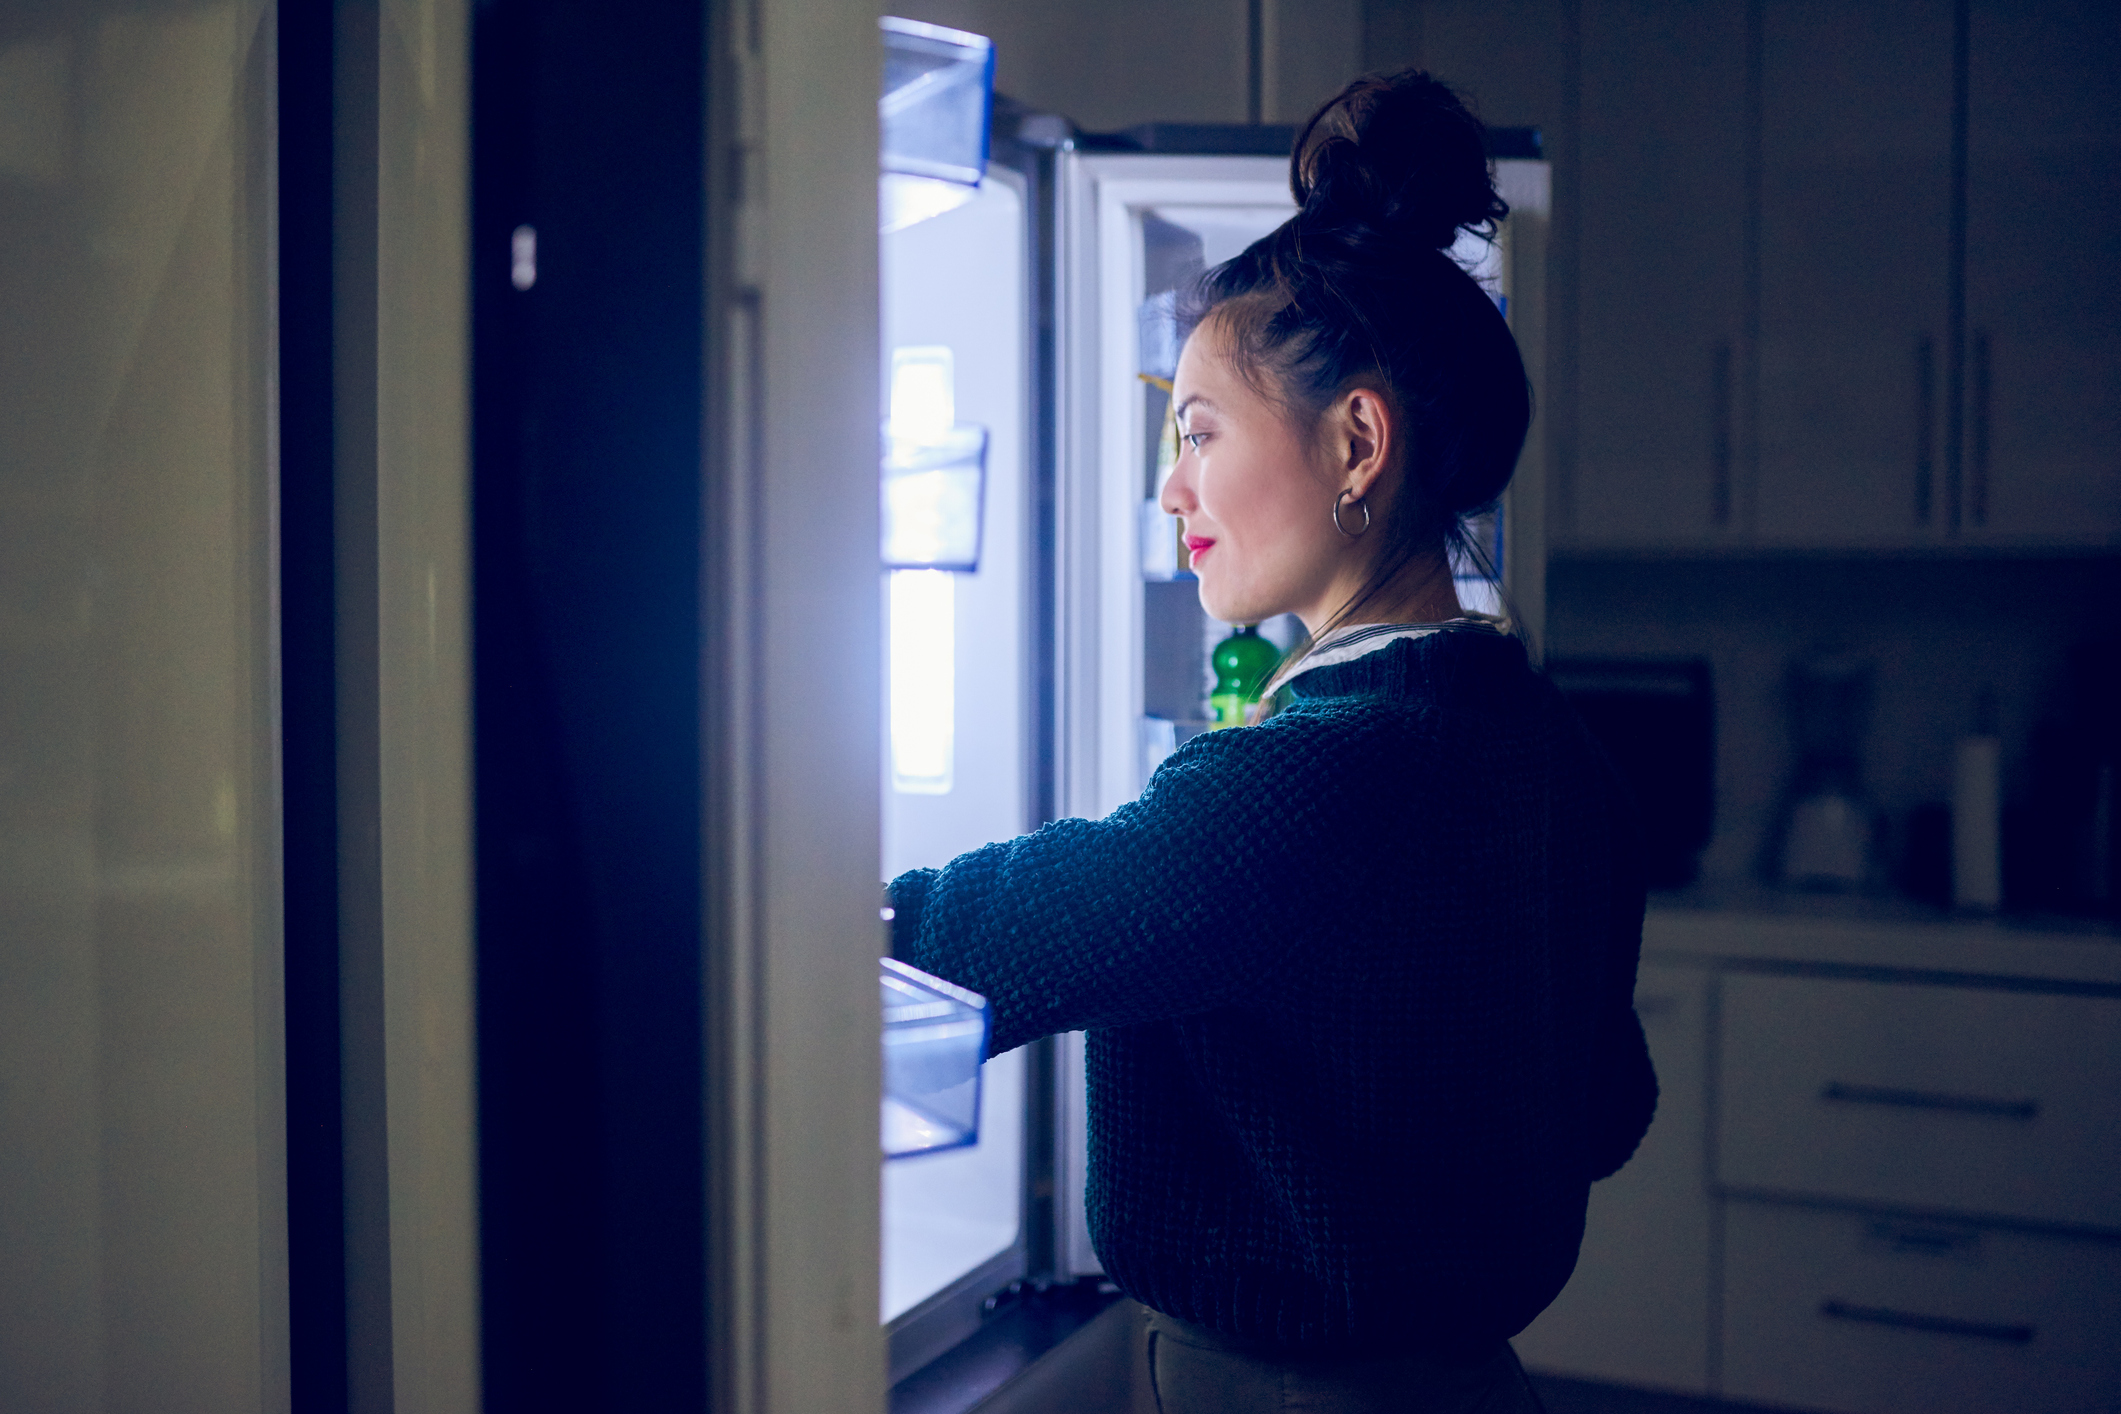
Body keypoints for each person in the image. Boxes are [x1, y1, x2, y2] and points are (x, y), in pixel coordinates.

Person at [888, 69, 1656, 1414]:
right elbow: (1608, 1110)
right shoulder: (1551, 754)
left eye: (1194, 431)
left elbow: (979, 942)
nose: (1166, 487)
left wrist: (782, 935)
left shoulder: (1299, 783)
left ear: (1357, 441)